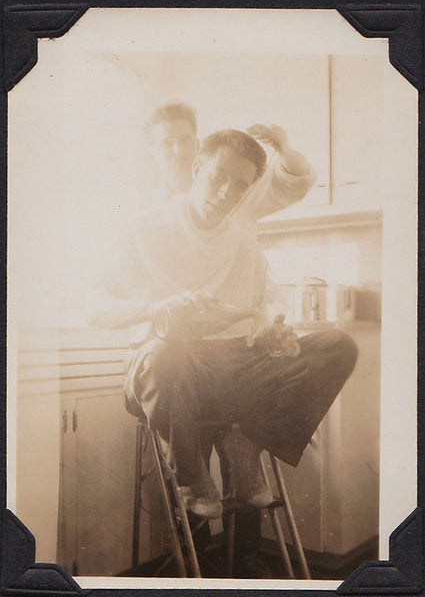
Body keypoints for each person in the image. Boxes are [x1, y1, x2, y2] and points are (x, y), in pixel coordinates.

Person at [89, 129, 358, 573]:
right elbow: (94, 306)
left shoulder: (244, 243)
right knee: (164, 353)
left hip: (232, 369)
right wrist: (157, 311)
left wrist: (271, 327)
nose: (226, 192)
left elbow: (268, 303)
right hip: (166, 368)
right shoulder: (143, 229)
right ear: (197, 168)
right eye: (218, 176)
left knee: (336, 345)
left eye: (240, 185)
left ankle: (246, 439)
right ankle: (194, 478)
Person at [145, 102, 316, 229]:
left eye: (185, 140)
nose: (179, 150)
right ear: (152, 155)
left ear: (197, 144)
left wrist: (284, 149)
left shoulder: (234, 188)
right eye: (167, 143)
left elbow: (295, 182)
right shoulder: (147, 212)